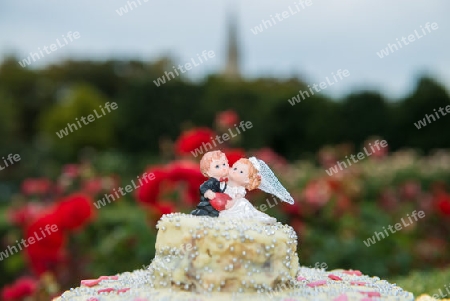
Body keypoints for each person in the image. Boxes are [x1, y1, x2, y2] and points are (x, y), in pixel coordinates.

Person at [191, 151, 229, 217]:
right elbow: (203, 187)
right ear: (208, 173)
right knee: (212, 213)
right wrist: (208, 192)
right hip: (209, 205)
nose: (223, 168)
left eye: (224, 164)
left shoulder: (225, 182)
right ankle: (199, 213)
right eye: (217, 166)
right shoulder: (211, 182)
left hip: (221, 205)